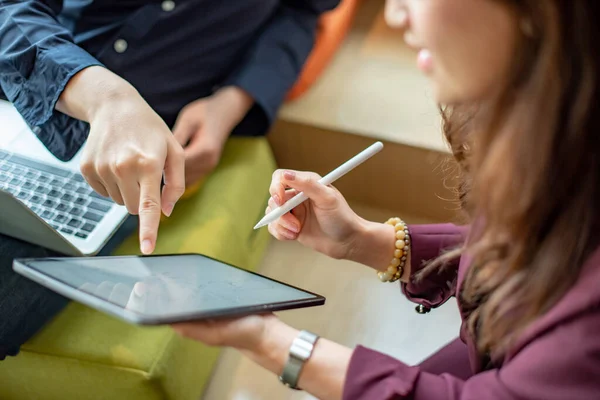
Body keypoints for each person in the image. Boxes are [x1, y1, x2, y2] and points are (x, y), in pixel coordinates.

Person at [172, 0, 600, 399]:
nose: (394, 14)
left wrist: (268, 340)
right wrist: (367, 241)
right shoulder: (559, 142)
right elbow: (528, 256)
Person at [0, 0, 339, 359]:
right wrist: (103, 95)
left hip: (136, 155)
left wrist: (231, 102)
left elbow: (302, 12)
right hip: (19, 85)